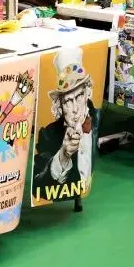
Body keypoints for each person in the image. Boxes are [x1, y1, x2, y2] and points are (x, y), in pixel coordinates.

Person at [32, 48, 100, 200]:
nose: (75, 109)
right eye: (68, 101)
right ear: (60, 106)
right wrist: (63, 156)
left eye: (79, 96)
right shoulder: (49, 134)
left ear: (87, 93)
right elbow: (38, 187)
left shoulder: (97, 118)